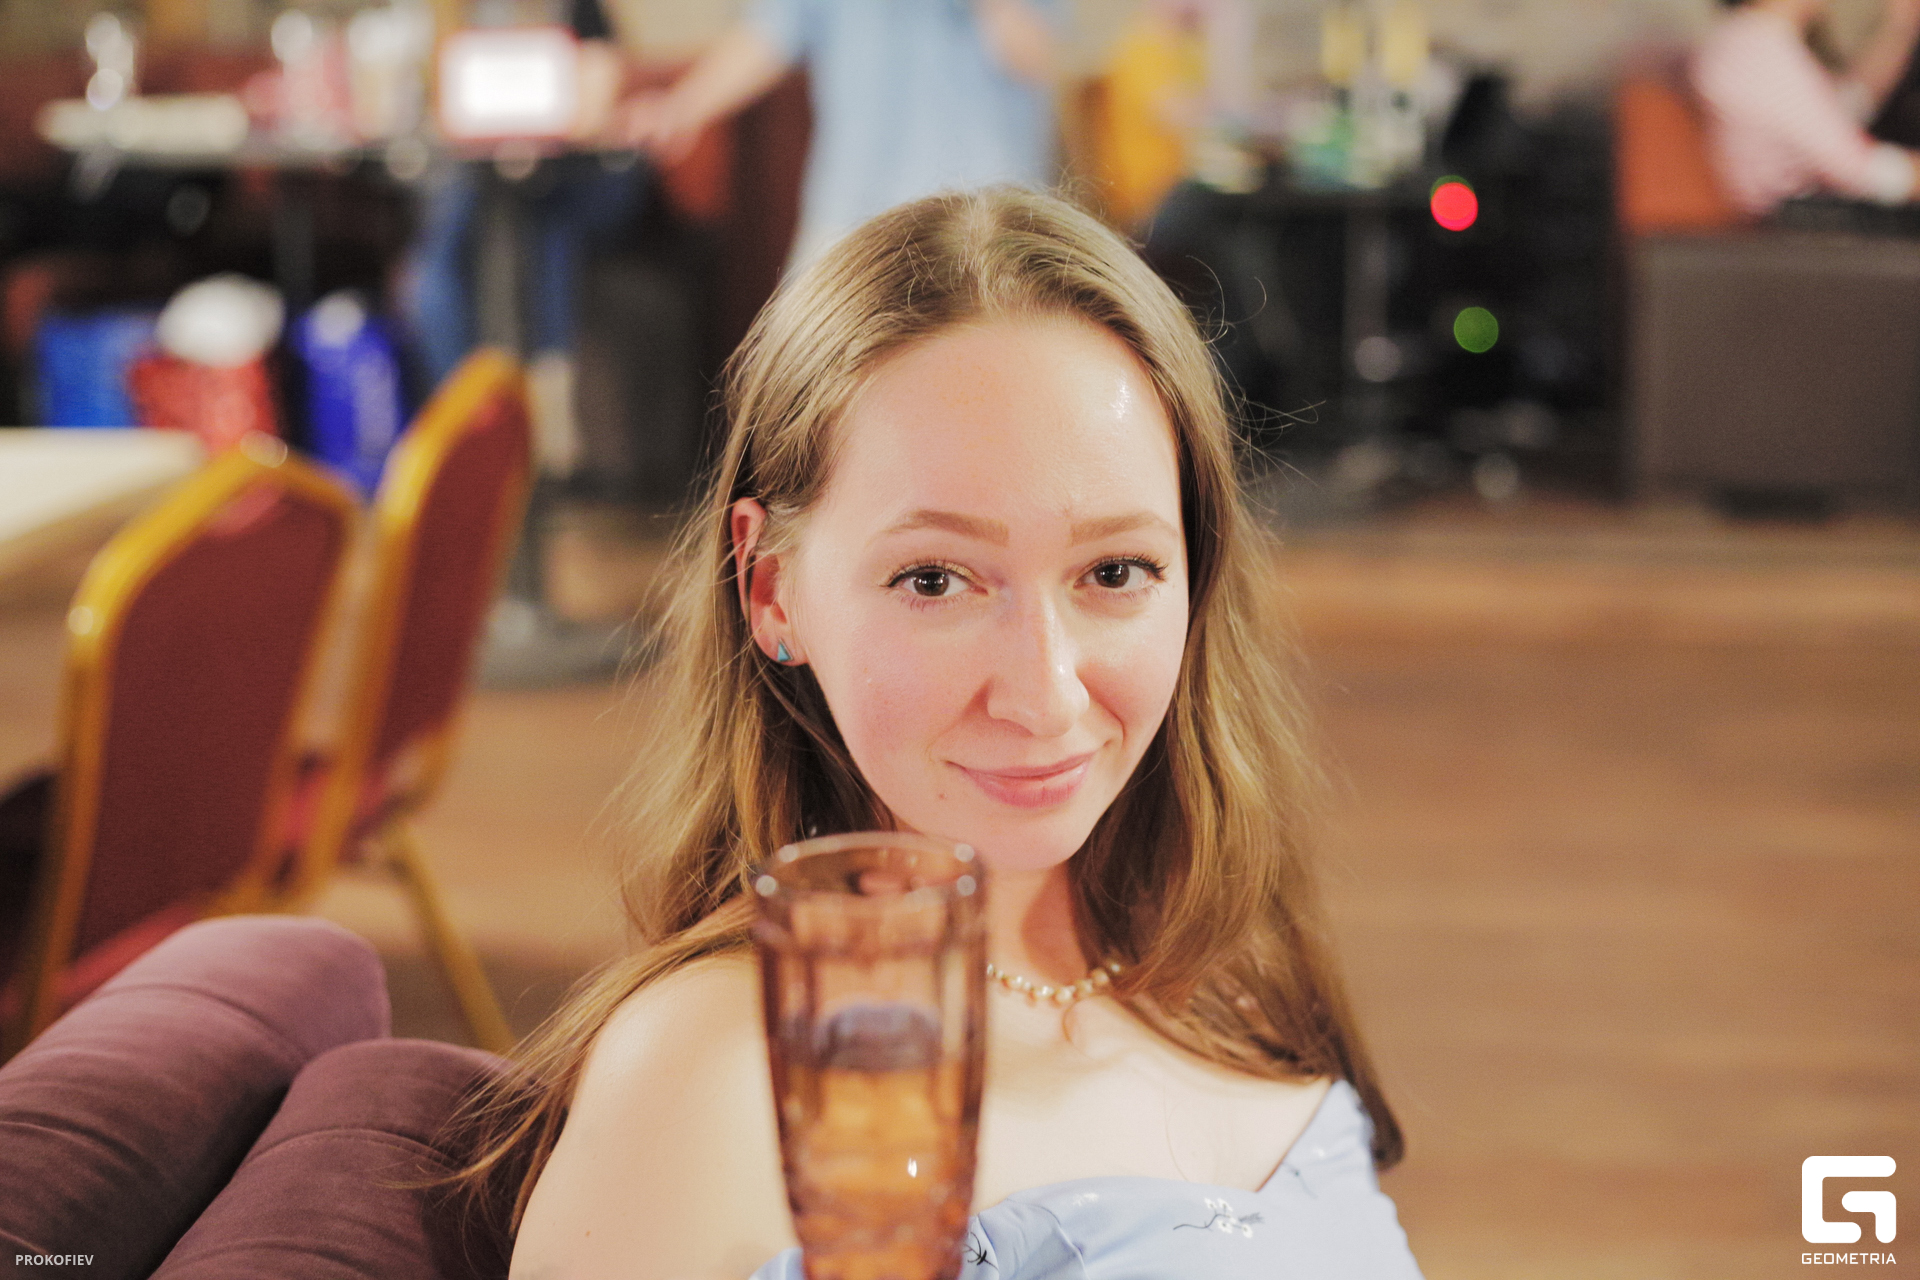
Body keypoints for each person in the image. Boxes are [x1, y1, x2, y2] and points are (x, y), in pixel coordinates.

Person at [463, 187, 1420, 1279]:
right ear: (770, 589)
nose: (1044, 694)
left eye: (1115, 571)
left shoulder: (1230, 966)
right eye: (934, 579)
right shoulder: (714, 1080)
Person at [618, 0, 1060, 268]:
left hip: (982, 212)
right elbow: (769, 33)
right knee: (805, 369)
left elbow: (1039, 57)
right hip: (849, 205)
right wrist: (681, 109)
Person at [1693, 0, 1920, 217]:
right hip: (1782, 227)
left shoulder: (1751, 40)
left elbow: (1843, 110)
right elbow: (1854, 168)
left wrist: (1901, 26)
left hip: (1788, 221)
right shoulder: (1759, 52)